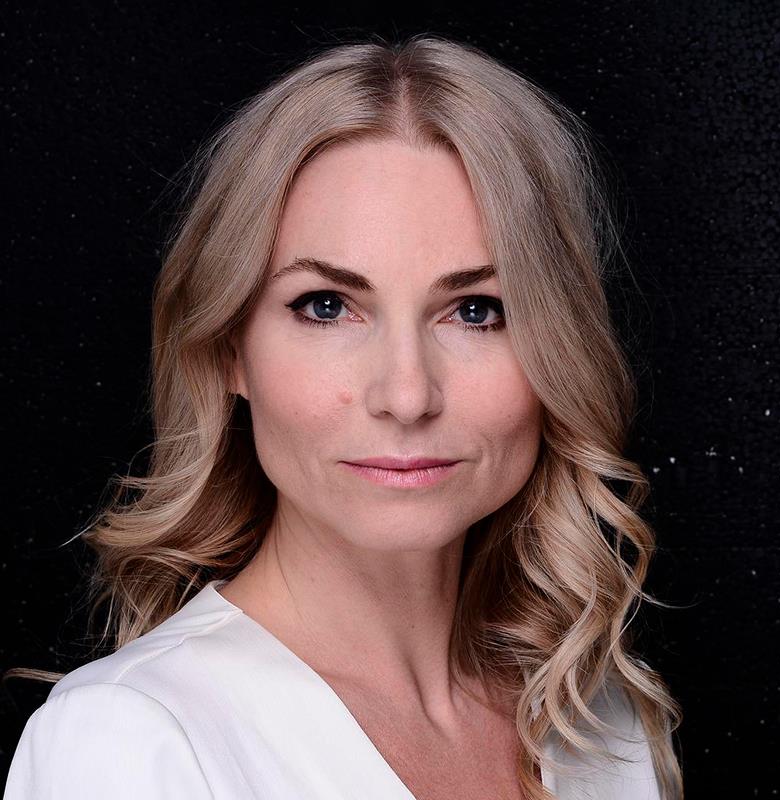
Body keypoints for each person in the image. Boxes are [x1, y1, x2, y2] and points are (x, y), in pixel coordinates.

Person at [3, 33, 683, 799]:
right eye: (326, 307)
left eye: (476, 310)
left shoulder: (602, 721)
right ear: (229, 349)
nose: (407, 395)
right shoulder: (130, 742)